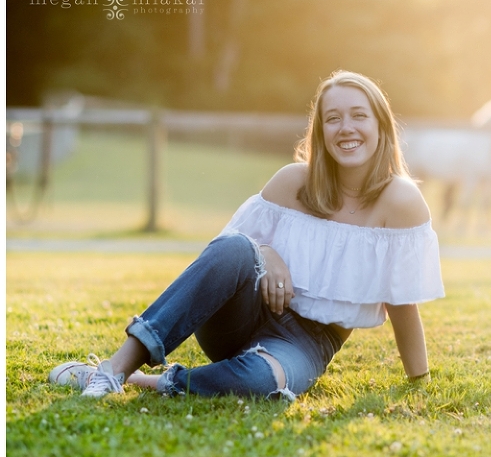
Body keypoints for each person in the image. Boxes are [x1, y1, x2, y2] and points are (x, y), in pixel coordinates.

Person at [48, 70, 445, 400]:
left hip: (306, 343)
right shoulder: (293, 182)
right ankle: (112, 370)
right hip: (242, 314)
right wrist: (267, 253)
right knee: (241, 247)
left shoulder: (402, 202)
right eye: (333, 118)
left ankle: (146, 381)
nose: (346, 128)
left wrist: (419, 382)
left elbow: (402, 304)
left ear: (381, 125)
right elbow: (225, 254)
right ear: (320, 130)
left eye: (359, 115)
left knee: (260, 381)